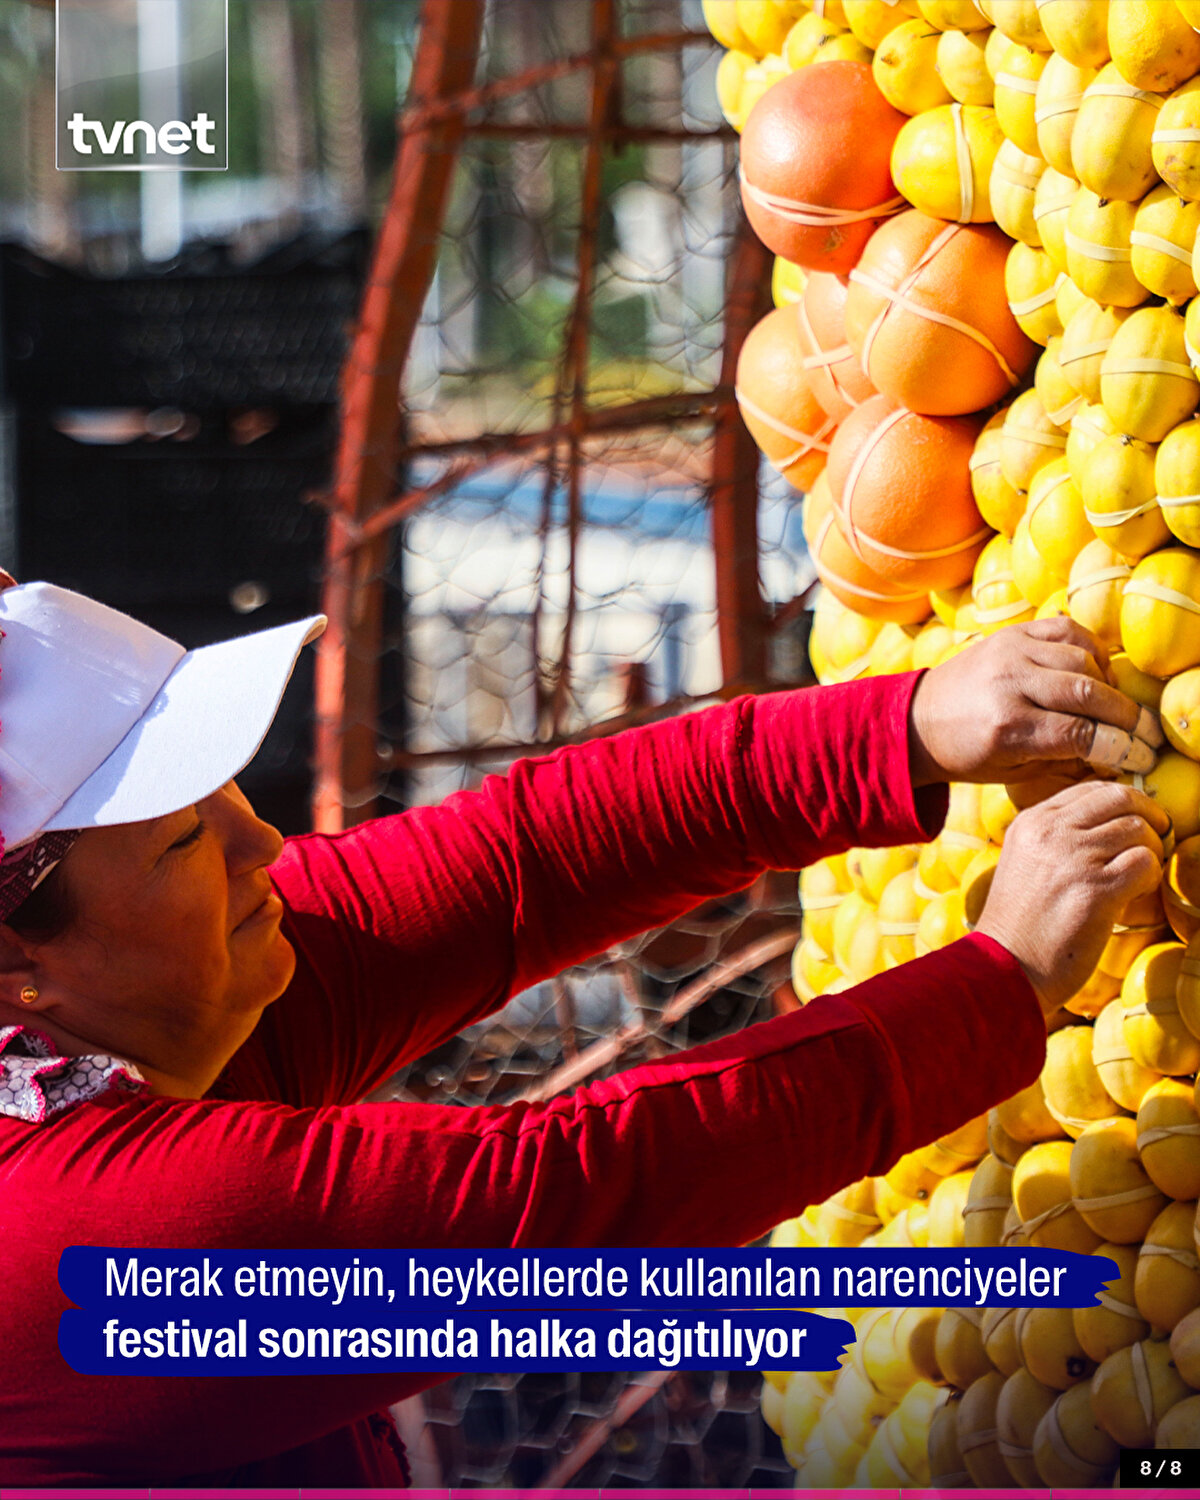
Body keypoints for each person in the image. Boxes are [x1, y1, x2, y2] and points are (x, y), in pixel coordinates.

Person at [0, 579, 1169, 1486]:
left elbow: (523, 860)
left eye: (222, 787)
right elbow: (570, 1194)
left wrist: (901, 724)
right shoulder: (73, 1251)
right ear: (16, 965)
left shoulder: (160, 990)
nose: (260, 846)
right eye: (182, 840)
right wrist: (1001, 981)